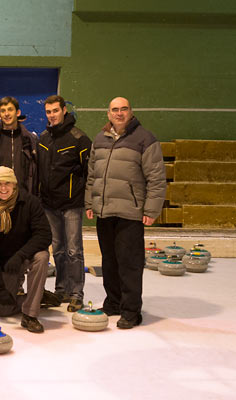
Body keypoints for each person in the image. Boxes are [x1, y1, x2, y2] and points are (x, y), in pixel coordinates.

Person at [85, 97, 166, 329]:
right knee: (109, 261)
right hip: (105, 211)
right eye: (114, 110)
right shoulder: (100, 138)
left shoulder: (145, 139)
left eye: (123, 109)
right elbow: (93, 175)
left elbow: (157, 178)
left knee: (129, 263)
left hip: (130, 212)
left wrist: (151, 209)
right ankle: (113, 303)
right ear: (108, 114)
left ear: (130, 112)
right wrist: (90, 202)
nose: (119, 113)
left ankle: (131, 311)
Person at [0, 167, 51, 333]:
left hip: (26, 255)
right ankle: (37, 296)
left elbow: (44, 235)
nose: (3, 188)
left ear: (14, 184)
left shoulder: (30, 202)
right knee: (3, 310)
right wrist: (0, 288)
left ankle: (30, 315)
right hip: (6, 263)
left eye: (7, 183)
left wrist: (20, 255)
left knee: (42, 256)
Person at [0, 96, 39, 303]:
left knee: (18, 243)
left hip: (21, 199)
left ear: (17, 112)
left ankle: (18, 284)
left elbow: (34, 169)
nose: (6, 113)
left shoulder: (28, 138)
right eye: (3, 110)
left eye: (10, 110)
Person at [37, 95, 92, 312]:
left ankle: (77, 292)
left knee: (74, 251)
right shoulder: (43, 138)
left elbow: (90, 174)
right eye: (48, 112)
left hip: (71, 205)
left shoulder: (79, 139)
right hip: (49, 206)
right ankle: (61, 289)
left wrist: (88, 203)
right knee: (58, 250)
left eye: (55, 111)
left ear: (64, 111)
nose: (52, 115)